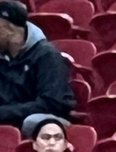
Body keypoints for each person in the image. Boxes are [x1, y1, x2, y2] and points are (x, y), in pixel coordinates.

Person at [0, 0, 74, 130]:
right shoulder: (3, 57)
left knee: (32, 121)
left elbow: (51, 103)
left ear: (10, 29)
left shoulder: (47, 56)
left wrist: (4, 112)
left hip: (48, 121)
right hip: (9, 117)